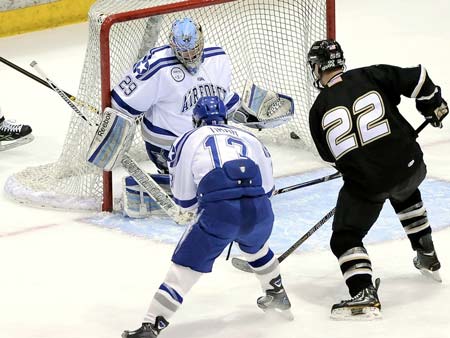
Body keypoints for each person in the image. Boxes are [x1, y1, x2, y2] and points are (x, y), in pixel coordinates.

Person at [121, 96, 292, 338]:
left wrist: (203, 207)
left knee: (184, 269)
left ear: (195, 120)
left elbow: (184, 198)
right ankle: (277, 294)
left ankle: (151, 325)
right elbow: (268, 189)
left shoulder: (187, 139)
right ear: (225, 118)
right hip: (260, 211)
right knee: (257, 247)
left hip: (220, 214)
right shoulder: (250, 138)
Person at [307, 39, 448, 320]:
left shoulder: (317, 110)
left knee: (346, 236)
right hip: (411, 165)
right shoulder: (368, 74)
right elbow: (419, 78)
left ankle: (363, 292)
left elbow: (331, 156)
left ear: (318, 67)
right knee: (404, 188)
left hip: (368, 184)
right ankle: (426, 252)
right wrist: (432, 105)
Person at [109, 17, 239, 217]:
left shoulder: (218, 56)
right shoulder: (156, 64)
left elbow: (225, 99)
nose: (190, 55)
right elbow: (121, 104)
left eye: (194, 49)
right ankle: (163, 185)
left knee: (218, 182)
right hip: (167, 145)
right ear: (172, 46)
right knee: (205, 190)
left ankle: (178, 188)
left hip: (208, 139)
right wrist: (114, 131)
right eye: (184, 51)